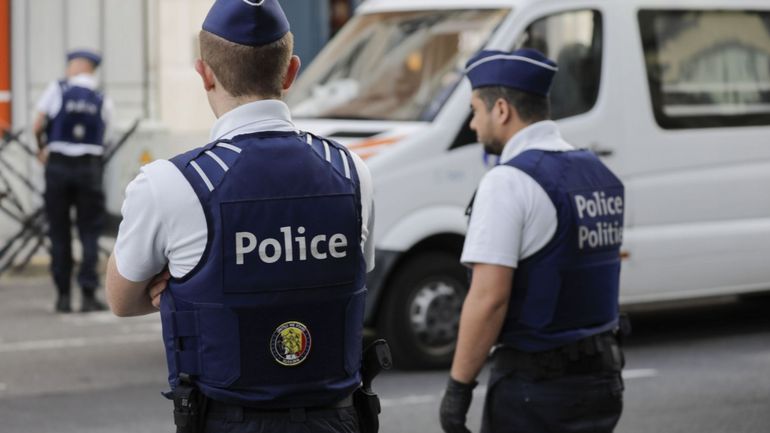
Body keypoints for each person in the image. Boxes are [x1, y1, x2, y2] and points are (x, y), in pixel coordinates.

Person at [105, 1, 374, 432]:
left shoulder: (169, 183)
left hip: (229, 421)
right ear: (290, 72)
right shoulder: (351, 171)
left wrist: (181, 286)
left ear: (205, 73)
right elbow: (351, 274)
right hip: (337, 419)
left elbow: (121, 298)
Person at [439, 49, 626, 433]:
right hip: (603, 379)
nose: (473, 125)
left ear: (502, 110)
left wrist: (458, 389)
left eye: (475, 110)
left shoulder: (508, 181)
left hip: (538, 389)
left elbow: (489, 298)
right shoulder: (597, 173)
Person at [33, 49, 112, 313]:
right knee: (89, 231)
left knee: (59, 231)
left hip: (58, 166)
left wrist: (41, 147)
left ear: (80, 66)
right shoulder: (102, 97)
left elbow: (38, 123)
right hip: (89, 168)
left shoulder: (58, 89)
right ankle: (89, 294)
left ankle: (63, 296)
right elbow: (106, 133)